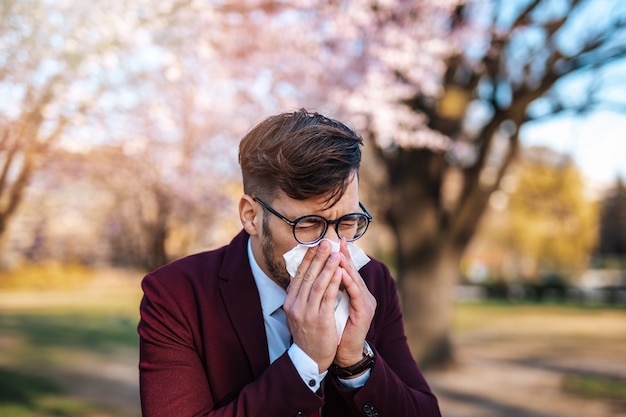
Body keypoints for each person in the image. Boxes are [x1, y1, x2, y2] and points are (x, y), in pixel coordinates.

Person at [138, 109, 441, 417]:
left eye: (348, 221)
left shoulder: (372, 282)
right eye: (309, 224)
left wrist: (356, 362)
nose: (334, 249)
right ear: (251, 216)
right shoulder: (177, 295)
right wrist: (305, 362)